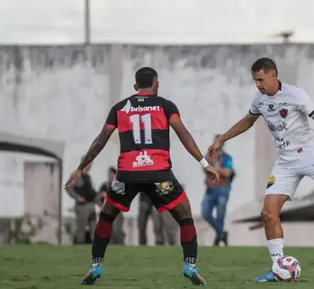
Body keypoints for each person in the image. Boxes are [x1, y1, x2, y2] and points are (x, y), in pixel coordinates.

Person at [207, 57, 314, 282]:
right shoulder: (259, 100)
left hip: (310, 155)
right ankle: (277, 267)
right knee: (268, 213)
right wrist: (221, 139)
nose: (258, 85)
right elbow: (247, 121)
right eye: (255, 81)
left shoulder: (296, 94)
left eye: (261, 79)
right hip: (285, 163)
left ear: (274, 75)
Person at [65, 67, 220, 286]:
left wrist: (80, 168)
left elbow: (100, 140)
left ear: (135, 87)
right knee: (185, 216)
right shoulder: (166, 106)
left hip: (127, 175)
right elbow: (183, 134)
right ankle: (190, 265)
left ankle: (96, 265)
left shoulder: (119, 108)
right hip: (159, 175)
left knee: (107, 216)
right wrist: (204, 163)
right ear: (157, 84)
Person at [201, 134, 235, 246]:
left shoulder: (227, 157)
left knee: (220, 215)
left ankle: (218, 238)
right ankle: (221, 233)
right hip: (210, 190)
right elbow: (205, 169)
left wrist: (215, 169)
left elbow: (227, 173)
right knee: (205, 213)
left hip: (222, 190)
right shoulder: (209, 156)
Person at [66, 161, 97, 244]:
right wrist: (77, 197)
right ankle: (79, 244)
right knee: (81, 229)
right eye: (89, 164)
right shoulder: (76, 175)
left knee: (93, 227)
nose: (90, 166)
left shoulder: (88, 176)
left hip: (91, 205)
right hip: (82, 207)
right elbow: (68, 187)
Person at [97, 167, 125, 244]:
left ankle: (119, 246)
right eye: (108, 174)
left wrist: (107, 195)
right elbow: (97, 197)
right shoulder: (104, 185)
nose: (109, 176)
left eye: (110, 174)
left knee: (116, 230)